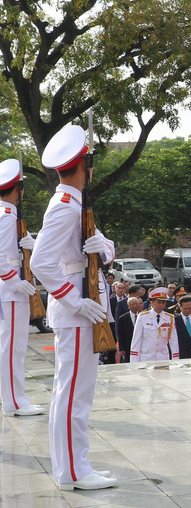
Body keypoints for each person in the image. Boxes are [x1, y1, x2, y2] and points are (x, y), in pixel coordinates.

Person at [30, 124, 117, 490]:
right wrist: (74, 300)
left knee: (75, 394)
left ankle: (75, 467)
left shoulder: (74, 203)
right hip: (78, 312)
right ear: (86, 165)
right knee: (73, 396)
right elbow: (40, 263)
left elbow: (103, 248)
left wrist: (104, 247)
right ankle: (73, 473)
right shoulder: (66, 207)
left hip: (84, 308)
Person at [0, 158, 44, 417]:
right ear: (18, 189)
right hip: (11, 291)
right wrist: (14, 282)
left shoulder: (5, 214)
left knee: (12, 347)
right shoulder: (8, 216)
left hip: (10, 289)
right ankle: (14, 402)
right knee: (13, 348)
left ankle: (14, 398)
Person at [130, 287, 179, 363]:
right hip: (146, 358)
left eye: (163, 302)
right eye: (159, 302)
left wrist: (176, 360)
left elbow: (174, 341)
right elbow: (136, 341)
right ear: (152, 303)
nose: (161, 305)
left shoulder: (170, 318)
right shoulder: (143, 317)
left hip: (163, 358)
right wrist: (134, 362)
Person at [115, 296, 142, 363]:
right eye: (133, 304)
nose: (135, 306)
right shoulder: (123, 318)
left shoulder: (143, 316)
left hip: (141, 346)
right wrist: (122, 349)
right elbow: (120, 334)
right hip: (128, 346)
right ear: (128, 306)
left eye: (136, 304)